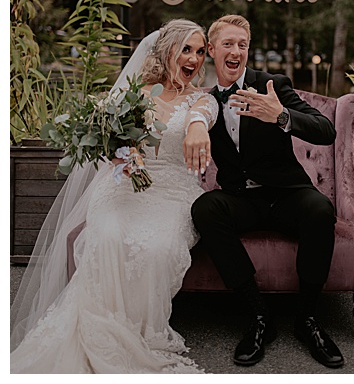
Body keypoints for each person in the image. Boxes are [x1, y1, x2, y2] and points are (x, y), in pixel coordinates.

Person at [10, 20, 217, 373]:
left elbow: (203, 115)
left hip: (173, 193)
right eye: (186, 49)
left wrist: (196, 124)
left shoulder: (201, 99)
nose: (194, 59)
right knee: (106, 235)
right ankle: (98, 328)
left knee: (158, 247)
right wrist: (123, 155)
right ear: (167, 50)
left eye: (199, 51)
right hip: (124, 186)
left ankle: (136, 333)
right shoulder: (136, 92)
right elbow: (112, 147)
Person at [190, 14, 342, 368]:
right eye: (228, 44)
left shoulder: (273, 85)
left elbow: (325, 130)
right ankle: (259, 316)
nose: (236, 51)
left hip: (287, 194)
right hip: (243, 199)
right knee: (205, 208)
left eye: (242, 45)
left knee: (320, 208)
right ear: (212, 50)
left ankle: (307, 319)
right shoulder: (207, 101)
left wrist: (282, 116)